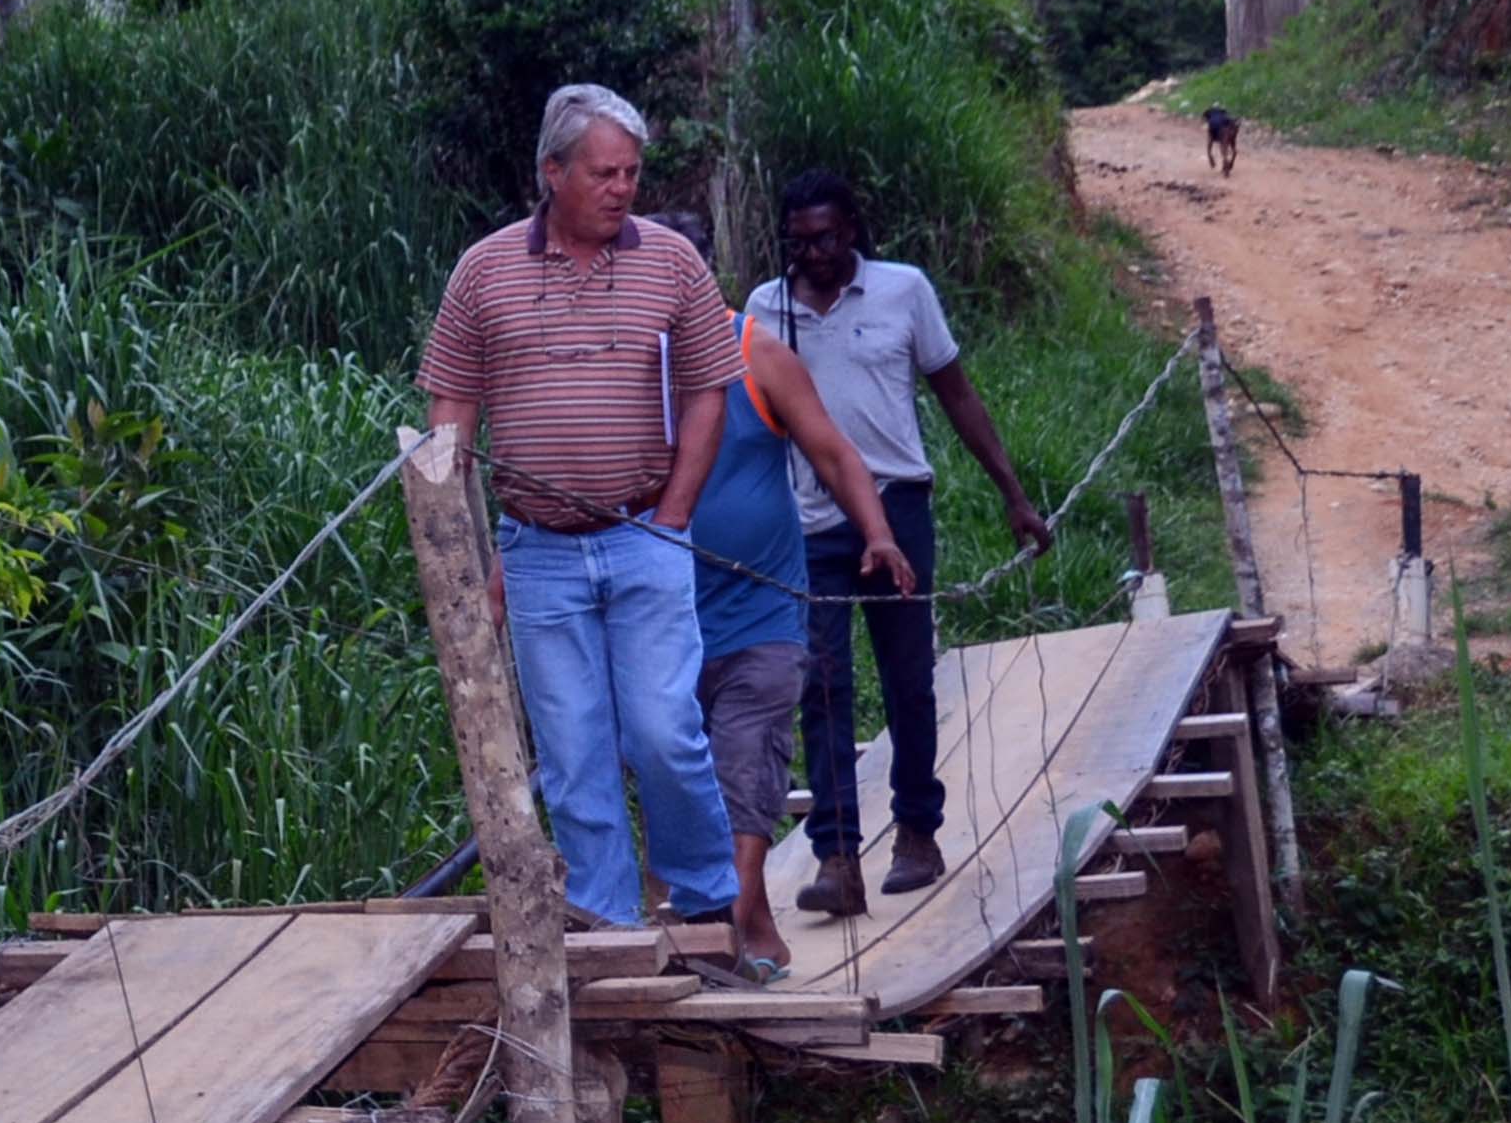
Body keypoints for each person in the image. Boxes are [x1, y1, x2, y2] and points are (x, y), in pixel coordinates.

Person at [416, 85, 745, 930]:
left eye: (632, 172)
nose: (622, 187)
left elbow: (711, 387)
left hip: (645, 536)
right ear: (551, 171)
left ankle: (705, 902)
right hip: (538, 553)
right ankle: (610, 928)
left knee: (667, 733)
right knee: (573, 754)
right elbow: (451, 409)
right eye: (604, 172)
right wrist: (467, 552)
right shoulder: (484, 270)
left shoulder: (671, 259)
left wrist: (674, 514)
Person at [745, 170, 1054, 917]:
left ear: (851, 229)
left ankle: (918, 830)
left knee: (907, 678)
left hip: (896, 505)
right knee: (821, 686)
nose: (812, 254)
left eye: (825, 238)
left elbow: (956, 394)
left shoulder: (903, 290)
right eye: (798, 242)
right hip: (807, 521)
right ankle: (837, 855)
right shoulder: (766, 308)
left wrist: (1012, 494)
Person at [641, 213, 917, 976]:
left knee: (746, 769)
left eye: (682, 272)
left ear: (705, 275)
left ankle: (725, 924)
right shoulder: (623, 366)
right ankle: (750, 922)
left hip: (761, 617)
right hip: (658, 620)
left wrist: (878, 533)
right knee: (670, 770)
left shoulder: (757, 352)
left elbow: (832, 449)